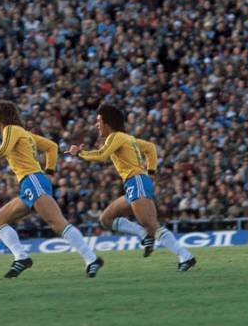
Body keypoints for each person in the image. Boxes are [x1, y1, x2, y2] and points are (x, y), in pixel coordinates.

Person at [0, 100, 104, 278]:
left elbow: (3, 150)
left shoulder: (10, 129)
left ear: (0, 118)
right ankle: (21, 257)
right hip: (30, 184)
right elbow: (52, 147)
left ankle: (91, 258)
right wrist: (49, 171)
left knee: (57, 222)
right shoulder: (24, 134)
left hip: (32, 180)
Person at [67, 104, 196, 272]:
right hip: (133, 184)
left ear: (108, 123)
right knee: (106, 219)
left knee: (151, 224)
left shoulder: (115, 136)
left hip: (136, 182)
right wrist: (151, 172)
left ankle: (185, 256)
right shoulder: (128, 138)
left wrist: (79, 153)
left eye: (99, 121)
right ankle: (143, 235)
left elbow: (102, 155)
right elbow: (150, 148)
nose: (96, 125)